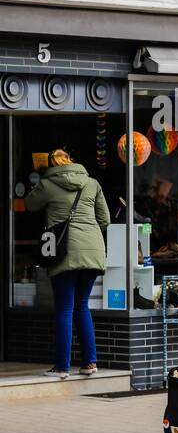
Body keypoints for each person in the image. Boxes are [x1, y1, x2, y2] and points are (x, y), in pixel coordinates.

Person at [25, 149, 109, 379]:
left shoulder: (47, 184)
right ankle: (90, 363)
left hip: (65, 252)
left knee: (64, 308)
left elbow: (29, 204)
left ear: (51, 165)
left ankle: (62, 367)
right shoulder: (92, 183)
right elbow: (105, 220)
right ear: (71, 161)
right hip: (93, 251)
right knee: (82, 306)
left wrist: (38, 178)